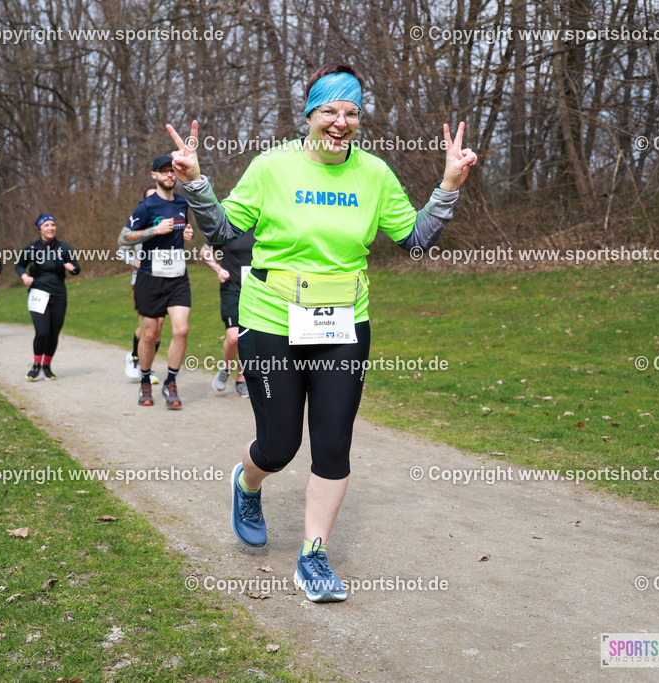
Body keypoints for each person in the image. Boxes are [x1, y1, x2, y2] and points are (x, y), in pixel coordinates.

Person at [167, 62, 477, 602]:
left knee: (333, 444)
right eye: (329, 111)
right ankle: (246, 482)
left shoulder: (375, 174)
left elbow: (415, 239)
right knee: (280, 444)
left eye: (351, 112)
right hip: (270, 321)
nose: (341, 122)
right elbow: (222, 231)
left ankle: (313, 556)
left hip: (342, 323)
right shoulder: (272, 167)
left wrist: (448, 185)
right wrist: (195, 181)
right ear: (308, 114)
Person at [118, 156, 195, 408]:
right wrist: (154, 231)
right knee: (149, 335)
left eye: (171, 171)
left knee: (181, 330)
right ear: (154, 176)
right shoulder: (146, 206)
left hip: (177, 278)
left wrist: (186, 232)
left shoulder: (183, 202)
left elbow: (184, 229)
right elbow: (124, 238)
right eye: (163, 172)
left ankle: (170, 381)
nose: (169, 175)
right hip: (150, 278)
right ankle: (144, 380)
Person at [16, 214, 81, 380]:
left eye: (53, 224)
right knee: (42, 332)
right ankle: (36, 365)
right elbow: (19, 265)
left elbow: (76, 268)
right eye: (46, 225)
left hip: (59, 294)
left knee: (53, 334)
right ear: (40, 229)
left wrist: (71, 267)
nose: (51, 228)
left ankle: (47, 366)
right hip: (38, 293)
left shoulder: (63, 248)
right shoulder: (32, 248)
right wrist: (24, 277)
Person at [200, 227, 256, 398]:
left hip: (256, 290)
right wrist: (217, 269)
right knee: (233, 337)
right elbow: (205, 250)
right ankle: (226, 368)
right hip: (231, 289)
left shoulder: (263, 224)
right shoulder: (229, 227)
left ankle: (241, 378)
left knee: (248, 337)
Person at [121, 185, 161, 385]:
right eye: (150, 197)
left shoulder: (167, 222)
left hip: (164, 279)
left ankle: (145, 364)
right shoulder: (138, 224)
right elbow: (121, 249)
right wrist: (134, 262)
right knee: (148, 327)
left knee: (158, 327)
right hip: (142, 280)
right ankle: (136, 359)